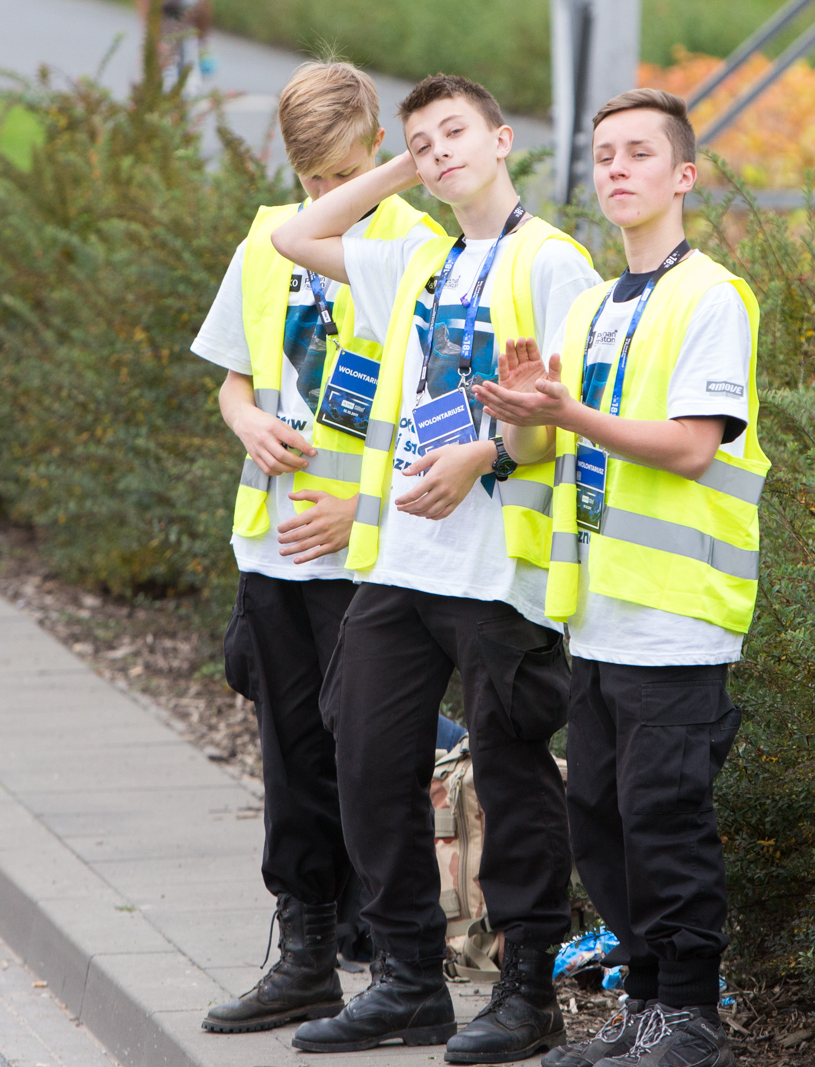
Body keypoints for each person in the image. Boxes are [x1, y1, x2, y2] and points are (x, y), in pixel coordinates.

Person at [271, 73, 601, 1061]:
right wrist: (392, 165)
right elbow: (297, 235)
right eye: (421, 141)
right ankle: (409, 981)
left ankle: (526, 988)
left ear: (503, 141)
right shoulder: (415, 259)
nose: (439, 151)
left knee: (511, 776)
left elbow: (570, 423)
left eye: (455, 132)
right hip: (405, 562)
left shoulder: (552, 263)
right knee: (366, 758)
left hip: (500, 571)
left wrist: (483, 455)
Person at [476, 88, 767, 1067]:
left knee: (665, 822)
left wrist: (568, 414)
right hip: (597, 618)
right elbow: (539, 443)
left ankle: (689, 1016)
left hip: (678, 619)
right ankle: (645, 1007)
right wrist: (520, 411)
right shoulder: (597, 306)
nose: (616, 168)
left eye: (639, 152)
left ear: (682, 176)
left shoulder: (709, 297)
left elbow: (689, 448)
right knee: (602, 824)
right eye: (603, 154)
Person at [187, 59, 441, 1036]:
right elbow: (234, 377)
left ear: (376, 147)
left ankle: (388, 954)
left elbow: (439, 426)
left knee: (372, 758)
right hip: (272, 547)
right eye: (309, 181)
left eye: (339, 175)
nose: (322, 197)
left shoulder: (416, 247)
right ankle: (302, 955)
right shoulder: (265, 237)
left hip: (366, 555)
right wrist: (245, 420)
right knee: (292, 761)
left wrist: (359, 509)